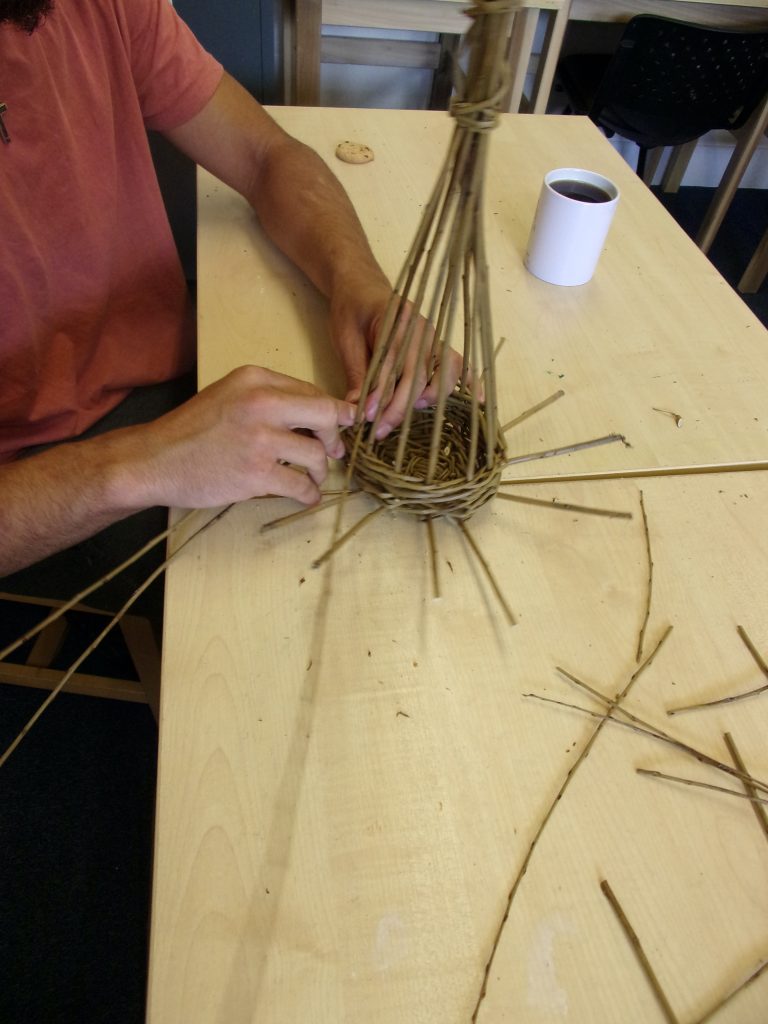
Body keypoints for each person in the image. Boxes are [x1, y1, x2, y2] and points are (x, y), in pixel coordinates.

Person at [0, 0, 456, 584]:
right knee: (335, 585)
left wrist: (360, 287)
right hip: (38, 483)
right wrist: (142, 465)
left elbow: (266, 156)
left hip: (172, 371)